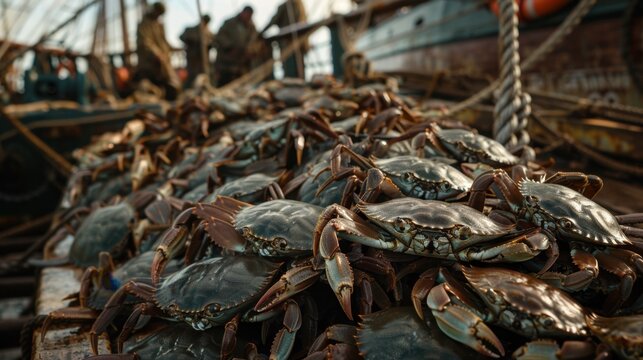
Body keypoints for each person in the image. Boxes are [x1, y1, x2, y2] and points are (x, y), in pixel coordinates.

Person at [134, 2, 180, 100]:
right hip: (150, 63)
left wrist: (172, 48)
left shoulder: (159, 25)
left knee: (173, 85)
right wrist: (157, 54)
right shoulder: (144, 24)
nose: (158, 15)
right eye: (158, 12)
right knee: (151, 88)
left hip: (163, 61)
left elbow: (163, 41)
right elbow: (144, 42)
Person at [261, 0, 308, 78]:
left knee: (289, 64)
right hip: (300, 42)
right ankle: (300, 79)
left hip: (288, 43)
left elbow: (273, 21)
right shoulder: (300, 4)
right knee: (299, 64)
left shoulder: (285, 6)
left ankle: (292, 79)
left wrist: (261, 34)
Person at [214, 6, 258, 87]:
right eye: (247, 15)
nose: (248, 18)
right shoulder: (230, 23)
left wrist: (251, 51)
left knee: (241, 86)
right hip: (226, 63)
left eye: (250, 16)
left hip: (242, 64)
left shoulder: (252, 27)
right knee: (224, 85)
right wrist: (230, 47)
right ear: (243, 13)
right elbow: (220, 36)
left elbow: (254, 40)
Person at [180, 15, 215, 88]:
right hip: (192, 58)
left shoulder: (209, 33)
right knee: (191, 76)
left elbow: (215, 42)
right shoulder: (191, 30)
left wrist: (209, 45)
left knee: (205, 75)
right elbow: (182, 37)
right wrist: (192, 41)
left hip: (204, 59)